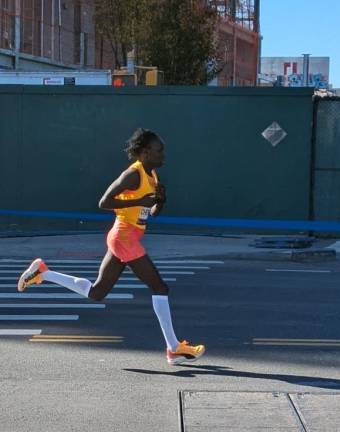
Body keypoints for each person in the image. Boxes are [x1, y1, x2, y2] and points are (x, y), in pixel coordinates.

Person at [17, 128, 205, 365]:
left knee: (97, 292)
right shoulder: (132, 174)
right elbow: (103, 202)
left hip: (128, 238)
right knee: (160, 288)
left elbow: (151, 213)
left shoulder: (152, 175)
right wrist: (139, 200)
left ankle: (44, 273)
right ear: (146, 152)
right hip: (123, 237)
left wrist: (160, 201)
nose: (163, 155)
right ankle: (173, 348)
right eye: (159, 150)